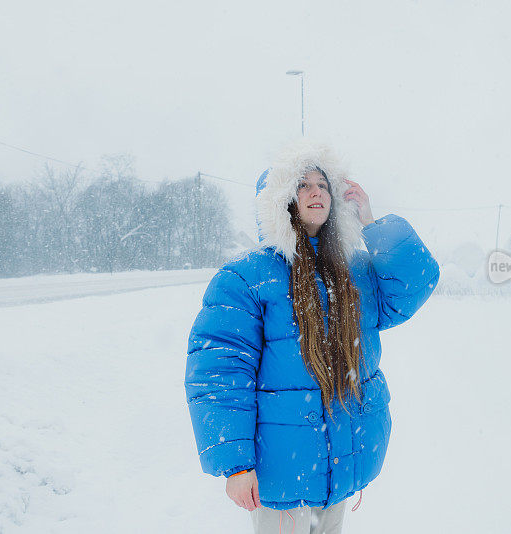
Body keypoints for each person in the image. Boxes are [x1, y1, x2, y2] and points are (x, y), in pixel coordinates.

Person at [185, 140, 440, 533]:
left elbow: (414, 285)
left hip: (343, 460)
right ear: (280, 199)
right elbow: (219, 371)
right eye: (302, 184)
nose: (315, 191)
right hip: (281, 471)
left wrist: (371, 223)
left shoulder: (354, 268)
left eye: (323, 184)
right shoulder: (247, 276)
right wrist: (235, 465)